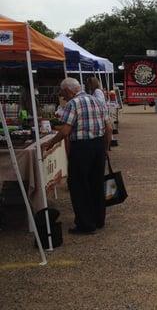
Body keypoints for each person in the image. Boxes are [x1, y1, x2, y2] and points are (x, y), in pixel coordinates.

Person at [42, 78, 112, 235]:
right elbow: (108, 127)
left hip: (81, 148)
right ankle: (99, 219)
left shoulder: (73, 104)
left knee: (79, 185)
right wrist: (105, 148)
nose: (62, 96)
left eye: (62, 93)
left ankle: (85, 224)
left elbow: (66, 130)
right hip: (98, 146)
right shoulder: (97, 100)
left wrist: (51, 143)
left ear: (68, 91)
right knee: (96, 183)